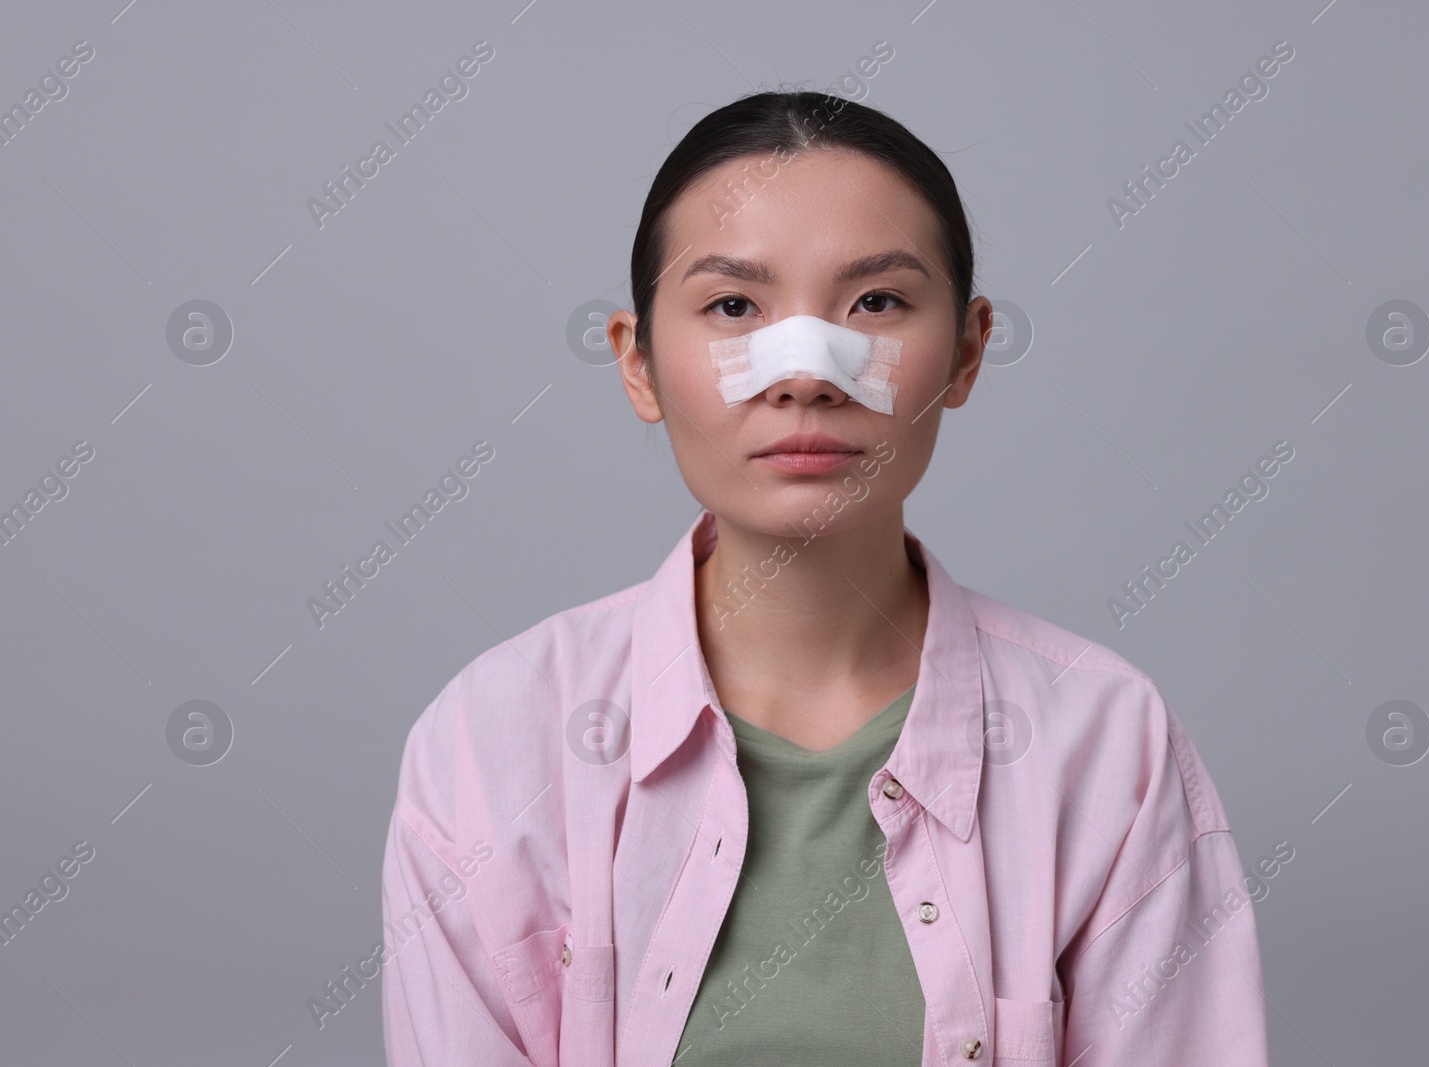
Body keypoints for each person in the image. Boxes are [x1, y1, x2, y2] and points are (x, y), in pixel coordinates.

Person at [380, 89, 1270, 1066]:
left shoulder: (1106, 744)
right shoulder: (491, 742)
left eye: (875, 302)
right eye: (732, 306)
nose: (805, 373)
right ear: (637, 363)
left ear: (968, 350)